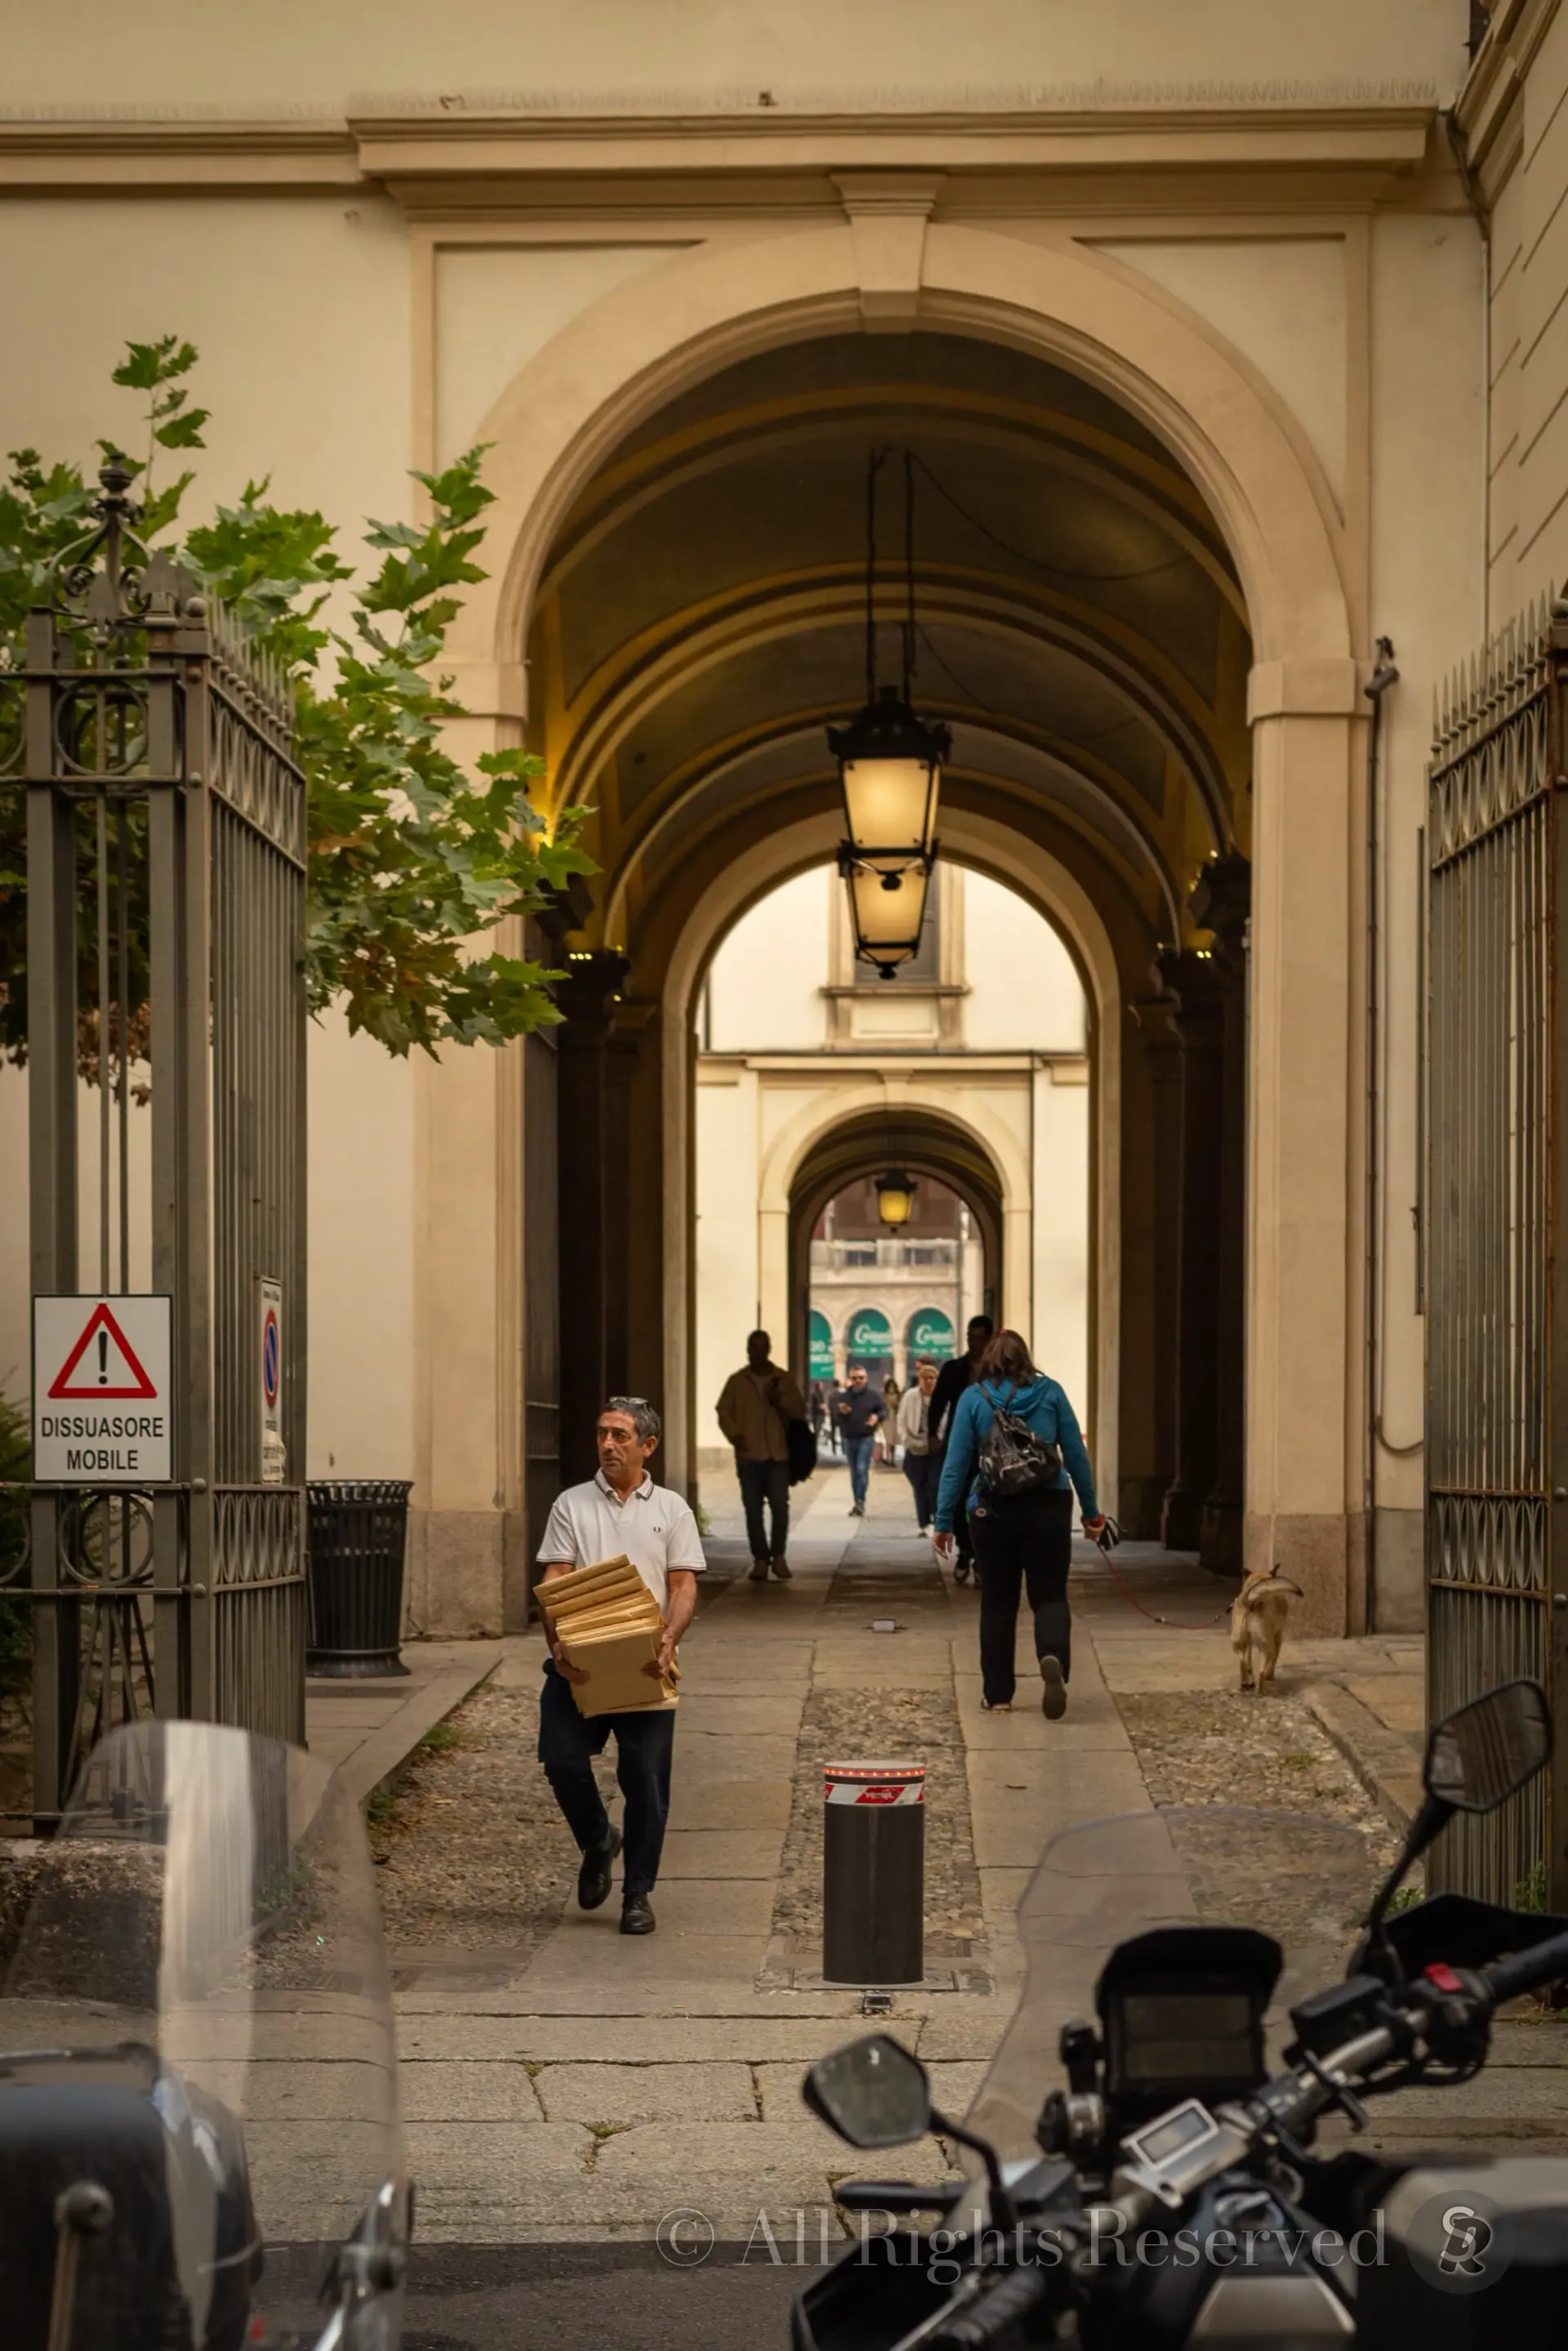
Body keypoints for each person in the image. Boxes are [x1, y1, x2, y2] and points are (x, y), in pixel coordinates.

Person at [536, 1395, 705, 1936]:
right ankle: (598, 1838)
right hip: (579, 1660)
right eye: (602, 1434)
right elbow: (554, 1580)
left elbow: (683, 1585)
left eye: (621, 1436)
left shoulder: (672, 1510)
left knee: (646, 1780)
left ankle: (637, 1894)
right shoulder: (571, 1505)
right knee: (561, 1758)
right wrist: (559, 1645)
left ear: (647, 1446)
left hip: (644, 1664)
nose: (608, 1443)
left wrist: (669, 1640)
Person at [934, 1331, 1104, 1718]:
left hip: (993, 1508)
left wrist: (943, 1521)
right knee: (1050, 1595)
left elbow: (956, 1464)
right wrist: (1091, 1512)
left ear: (987, 1361)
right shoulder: (1052, 1392)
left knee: (997, 1601)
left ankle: (998, 1695)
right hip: (1049, 1502)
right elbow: (1076, 1454)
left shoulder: (973, 1398)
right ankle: (1052, 1656)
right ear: (1026, 1358)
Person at [715, 1329, 807, 1581]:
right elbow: (724, 1410)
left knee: (780, 1507)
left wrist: (781, 1401)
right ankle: (760, 1559)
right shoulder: (737, 1381)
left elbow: (798, 1411)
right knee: (753, 1510)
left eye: (762, 1347)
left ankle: (778, 1556)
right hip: (748, 1456)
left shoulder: (782, 1379)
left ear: (768, 1349)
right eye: (754, 1347)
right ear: (748, 1350)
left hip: (777, 1454)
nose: (758, 1352)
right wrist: (734, 1435)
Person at [929, 1314, 993, 1586]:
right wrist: (933, 1433)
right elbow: (938, 1401)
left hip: (991, 1446)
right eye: (971, 1337)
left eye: (979, 1338)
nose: (974, 1343)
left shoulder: (998, 1371)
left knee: (984, 1503)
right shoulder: (954, 1369)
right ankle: (965, 1550)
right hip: (960, 1442)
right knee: (956, 1501)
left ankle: (980, 1556)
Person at [895, 1356, 941, 1531]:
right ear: (920, 1380)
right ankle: (924, 1522)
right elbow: (902, 1419)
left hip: (935, 1447)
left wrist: (941, 1440)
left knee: (934, 1485)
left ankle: (936, 1519)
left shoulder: (941, 1397)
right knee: (919, 1485)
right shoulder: (910, 1396)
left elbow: (947, 1419)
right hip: (915, 1447)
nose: (929, 1381)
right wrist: (906, 1440)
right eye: (925, 1378)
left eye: (932, 1378)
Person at [835, 1364, 884, 1515]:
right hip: (849, 1437)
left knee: (862, 1468)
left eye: (861, 1378)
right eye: (854, 1378)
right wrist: (843, 1413)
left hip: (866, 1436)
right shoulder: (844, 1397)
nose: (858, 1381)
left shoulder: (874, 1396)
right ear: (850, 1379)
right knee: (854, 1471)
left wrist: (876, 1417)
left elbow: (883, 1411)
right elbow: (836, 1417)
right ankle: (857, 1500)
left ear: (866, 1379)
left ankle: (861, 1500)